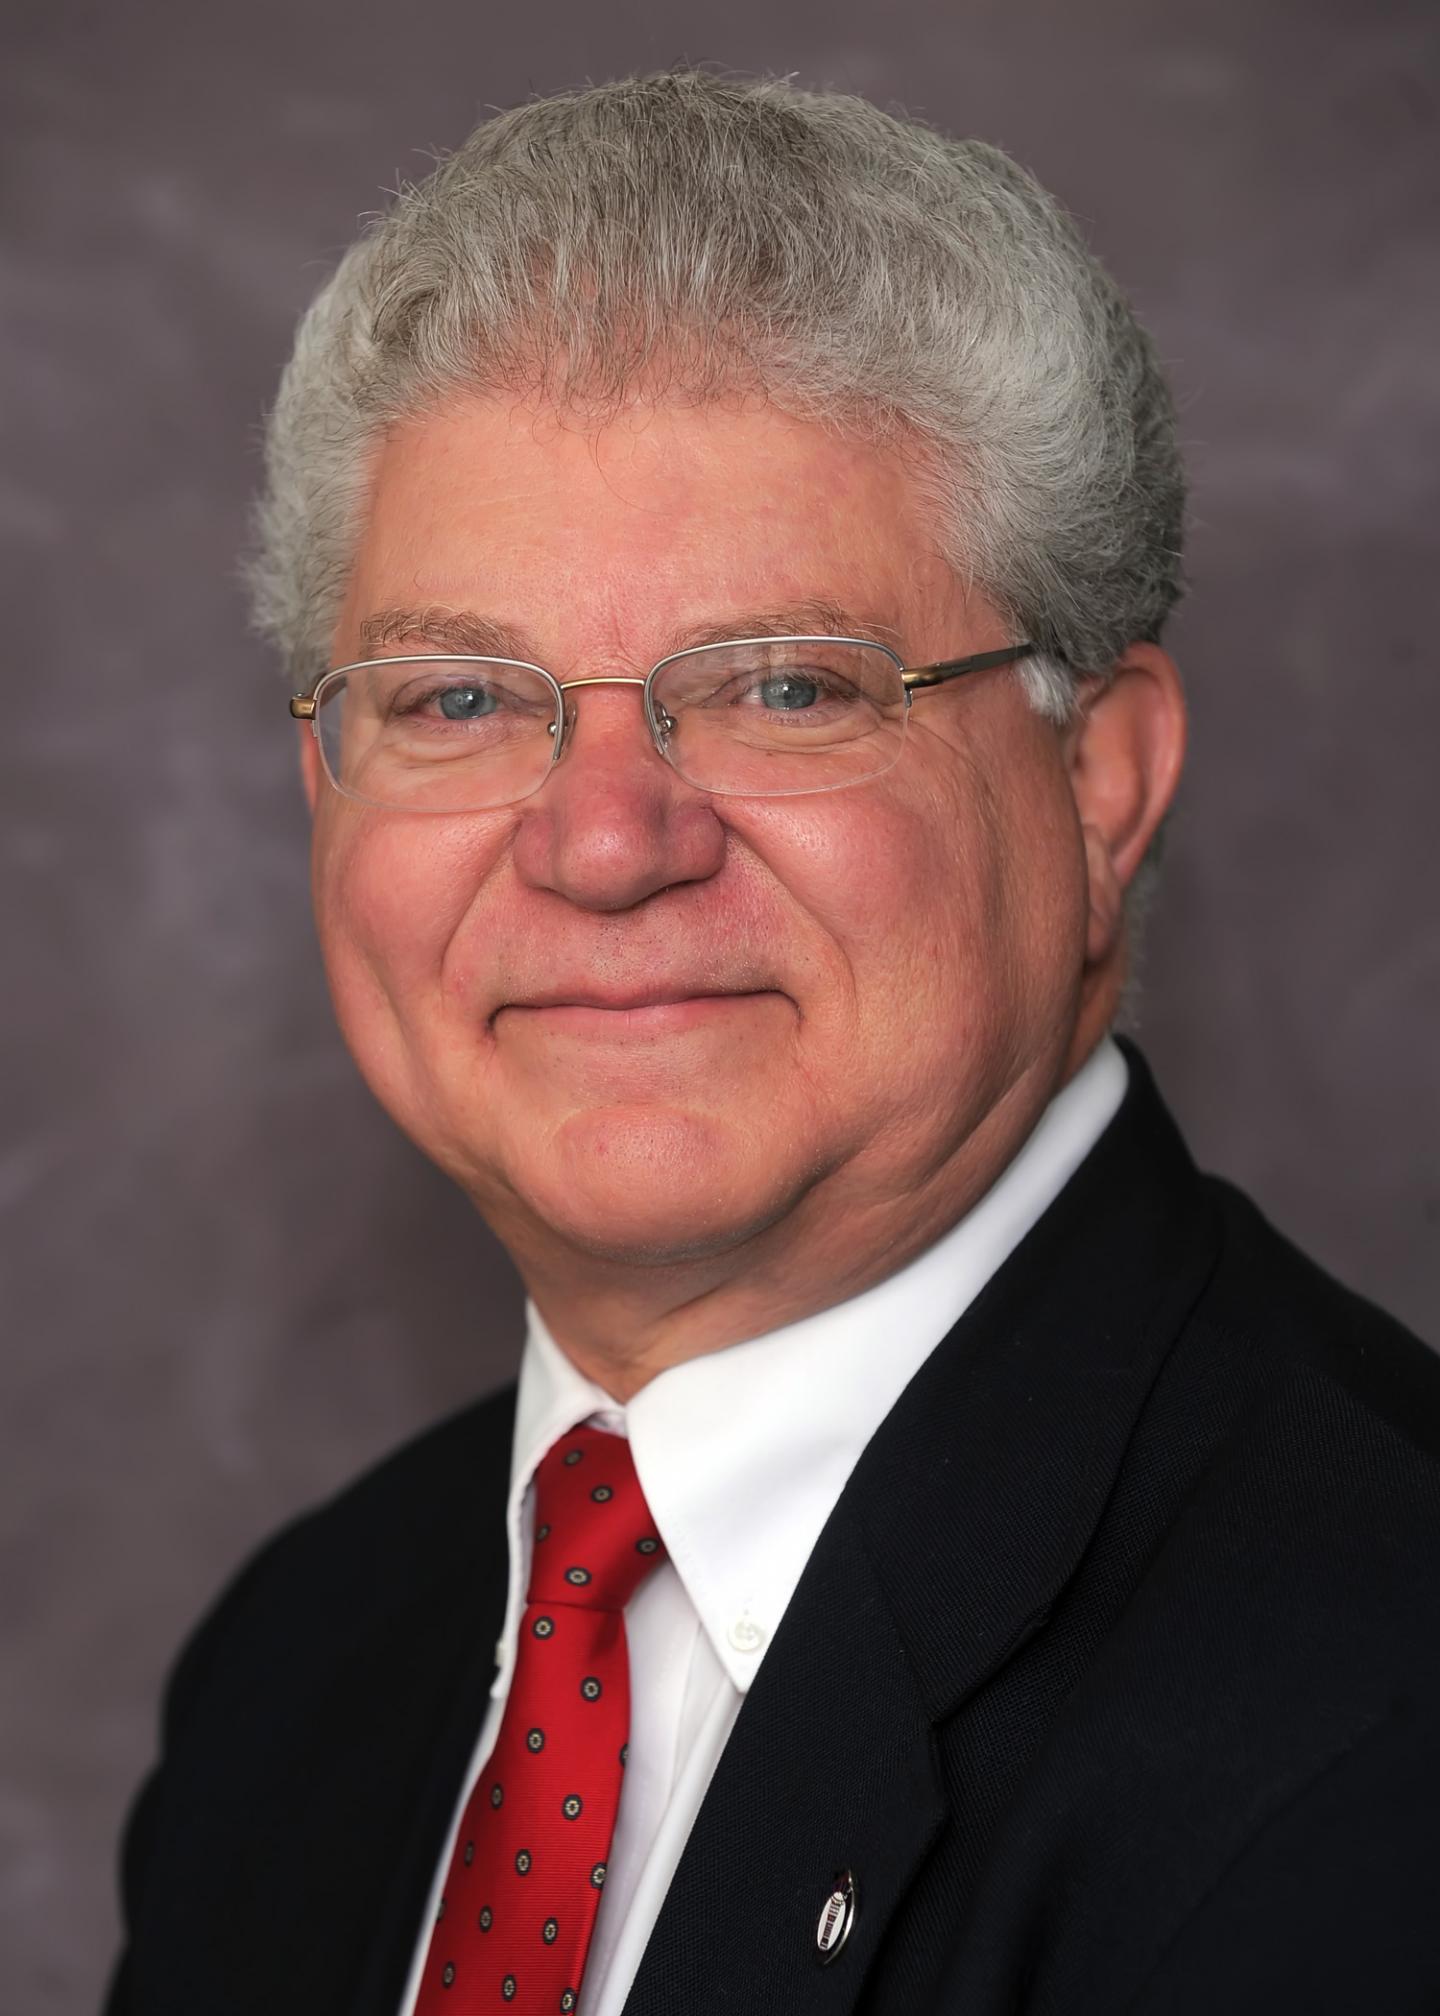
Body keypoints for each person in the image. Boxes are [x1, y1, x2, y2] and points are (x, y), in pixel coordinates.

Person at [104, 70, 1440, 2016]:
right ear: (326, 786)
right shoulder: (299, 1673)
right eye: (461, 698)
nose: (604, 842)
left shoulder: (1379, 1718)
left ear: (1099, 780)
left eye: (788, 687)